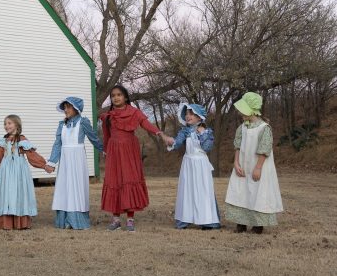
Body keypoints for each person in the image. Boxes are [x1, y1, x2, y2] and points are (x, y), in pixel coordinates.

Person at [100, 85, 174, 232]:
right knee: (115, 181)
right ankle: (115, 220)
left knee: (129, 179)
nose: (116, 97)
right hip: (114, 152)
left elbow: (146, 125)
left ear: (126, 97)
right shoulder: (108, 116)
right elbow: (107, 137)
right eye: (113, 95)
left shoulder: (134, 112)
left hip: (129, 151)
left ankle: (130, 219)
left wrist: (161, 134)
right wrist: (106, 151)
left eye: (119, 95)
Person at [225, 92, 283, 234]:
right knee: (240, 192)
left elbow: (264, 150)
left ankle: (258, 224)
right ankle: (241, 223)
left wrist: (258, 168)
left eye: (243, 110)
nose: (240, 113)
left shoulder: (264, 128)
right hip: (243, 165)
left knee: (258, 192)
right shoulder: (242, 127)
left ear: (252, 109)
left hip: (258, 166)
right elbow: (238, 146)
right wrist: (236, 163)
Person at [45, 97, 103, 230]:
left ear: (76, 109)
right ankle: (64, 220)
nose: (66, 110)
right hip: (65, 160)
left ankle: (76, 220)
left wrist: (105, 150)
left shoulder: (83, 122)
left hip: (77, 159)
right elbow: (58, 144)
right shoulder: (62, 124)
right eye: (64, 107)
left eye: (68, 107)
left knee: (76, 187)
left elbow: (93, 138)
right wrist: (52, 162)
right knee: (64, 188)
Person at [0, 114, 48, 230]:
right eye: (5, 124)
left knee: (19, 192)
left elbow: (32, 155)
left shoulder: (22, 140)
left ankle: (21, 222)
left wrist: (43, 165)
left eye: (9, 123)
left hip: (19, 170)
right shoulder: (2, 141)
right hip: (5, 171)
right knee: (6, 193)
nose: (6, 126)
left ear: (17, 124)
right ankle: (7, 222)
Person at [167, 103, 220, 230]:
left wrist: (202, 134)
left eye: (191, 113)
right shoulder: (184, 131)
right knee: (187, 190)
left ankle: (207, 221)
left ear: (199, 117)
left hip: (201, 164)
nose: (187, 116)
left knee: (203, 190)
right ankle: (184, 220)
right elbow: (178, 142)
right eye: (186, 113)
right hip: (188, 164)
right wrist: (172, 142)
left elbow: (207, 147)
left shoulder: (207, 131)